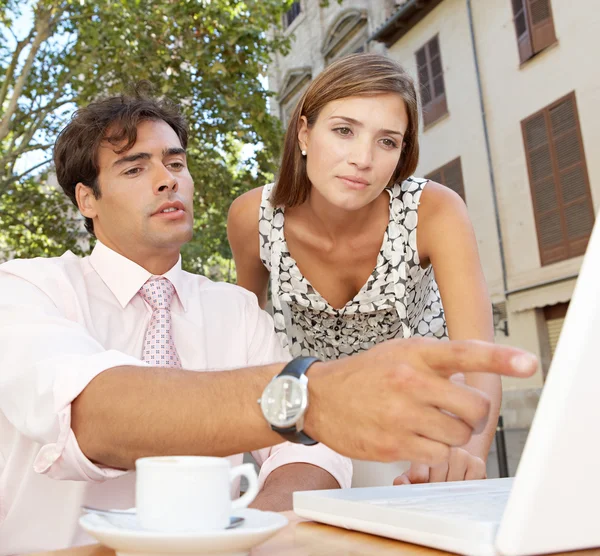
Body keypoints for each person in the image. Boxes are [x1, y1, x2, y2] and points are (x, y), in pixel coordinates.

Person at [0, 90, 536, 554]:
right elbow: (97, 415)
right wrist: (316, 396)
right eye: (136, 168)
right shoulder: (26, 289)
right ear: (87, 200)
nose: (167, 180)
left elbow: (313, 445)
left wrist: (262, 528)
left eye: (176, 163)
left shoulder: (232, 309)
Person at [228, 53, 500, 486]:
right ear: (304, 132)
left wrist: (465, 457)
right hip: (311, 432)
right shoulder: (252, 218)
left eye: (387, 141)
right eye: (343, 131)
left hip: (422, 428)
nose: (363, 158)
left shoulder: (435, 211)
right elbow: (245, 344)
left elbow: (479, 359)